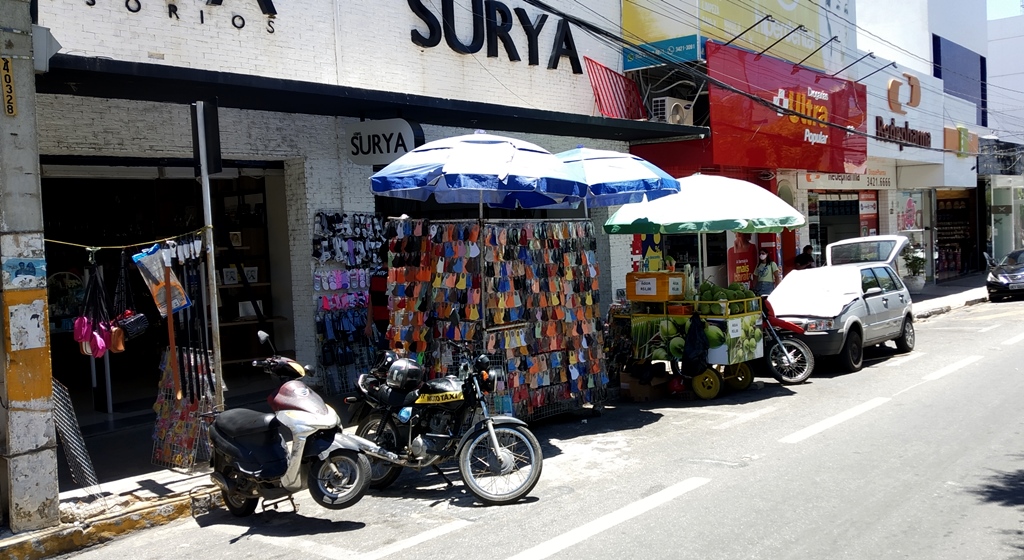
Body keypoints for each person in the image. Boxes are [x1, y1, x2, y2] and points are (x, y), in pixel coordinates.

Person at [365, 245, 390, 350]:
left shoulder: (375, 276)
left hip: (379, 320)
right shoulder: (392, 275)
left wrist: (368, 323)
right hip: (390, 319)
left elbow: (371, 301)